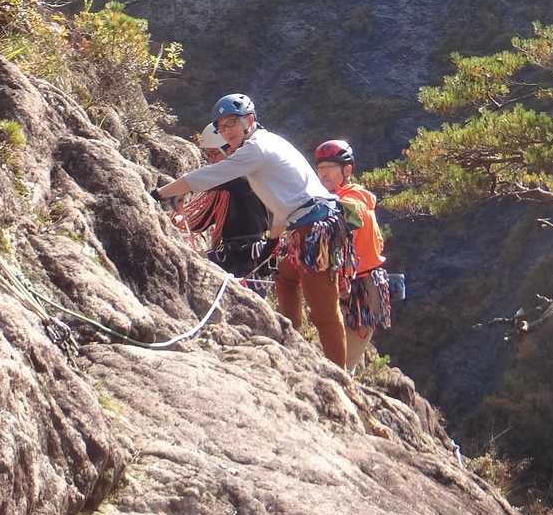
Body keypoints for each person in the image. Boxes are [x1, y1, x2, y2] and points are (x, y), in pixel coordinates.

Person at [150, 94, 354, 368]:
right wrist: (272, 241)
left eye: (232, 123)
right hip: (310, 222)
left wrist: (159, 193)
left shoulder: (255, 149)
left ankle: (340, 378)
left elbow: (207, 176)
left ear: (249, 120)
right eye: (221, 127)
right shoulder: (269, 142)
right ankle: (293, 343)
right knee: (285, 278)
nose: (227, 131)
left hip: (314, 228)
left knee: (324, 313)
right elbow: (287, 200)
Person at [313, 139, 391, 371]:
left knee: (342, 364)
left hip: (362, 288)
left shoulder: (350, 200)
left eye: (330, 167)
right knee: (338, 359)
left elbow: (352, 215)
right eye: (320, 168)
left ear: (347, 170)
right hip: (349, 284)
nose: (323, 173)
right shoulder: (340, 198)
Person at [169, 124, 272, 279]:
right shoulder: (231, 184)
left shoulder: (243, 179)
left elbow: (204, 181)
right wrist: (179, 220)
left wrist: (174, 192)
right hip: (238, 254)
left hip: (245, 256)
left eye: (214, 153)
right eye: (208, 155)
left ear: (231, 150)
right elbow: (204, 219)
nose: (211, 160)